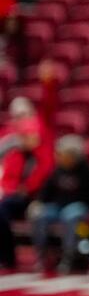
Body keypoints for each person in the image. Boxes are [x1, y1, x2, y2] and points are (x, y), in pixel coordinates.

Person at [29, 135, 89, 272]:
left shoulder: (85, 171)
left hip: (80, 207)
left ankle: (68, 257)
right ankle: (41, 256)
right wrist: (38, 203)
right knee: (39, 215)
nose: (58, 156)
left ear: (73, 156)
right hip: (58, 207)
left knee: (69, 215)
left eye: (61, 154)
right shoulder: (57, 170)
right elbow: (45, 192)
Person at [0, 100, 55, 269]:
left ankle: (41, 259)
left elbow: (44, 174)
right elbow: (9, 175)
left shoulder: (43, 147)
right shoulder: (14, 148)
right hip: (16, 195)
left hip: (39, 196)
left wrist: (26, 189)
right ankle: (7, 256)